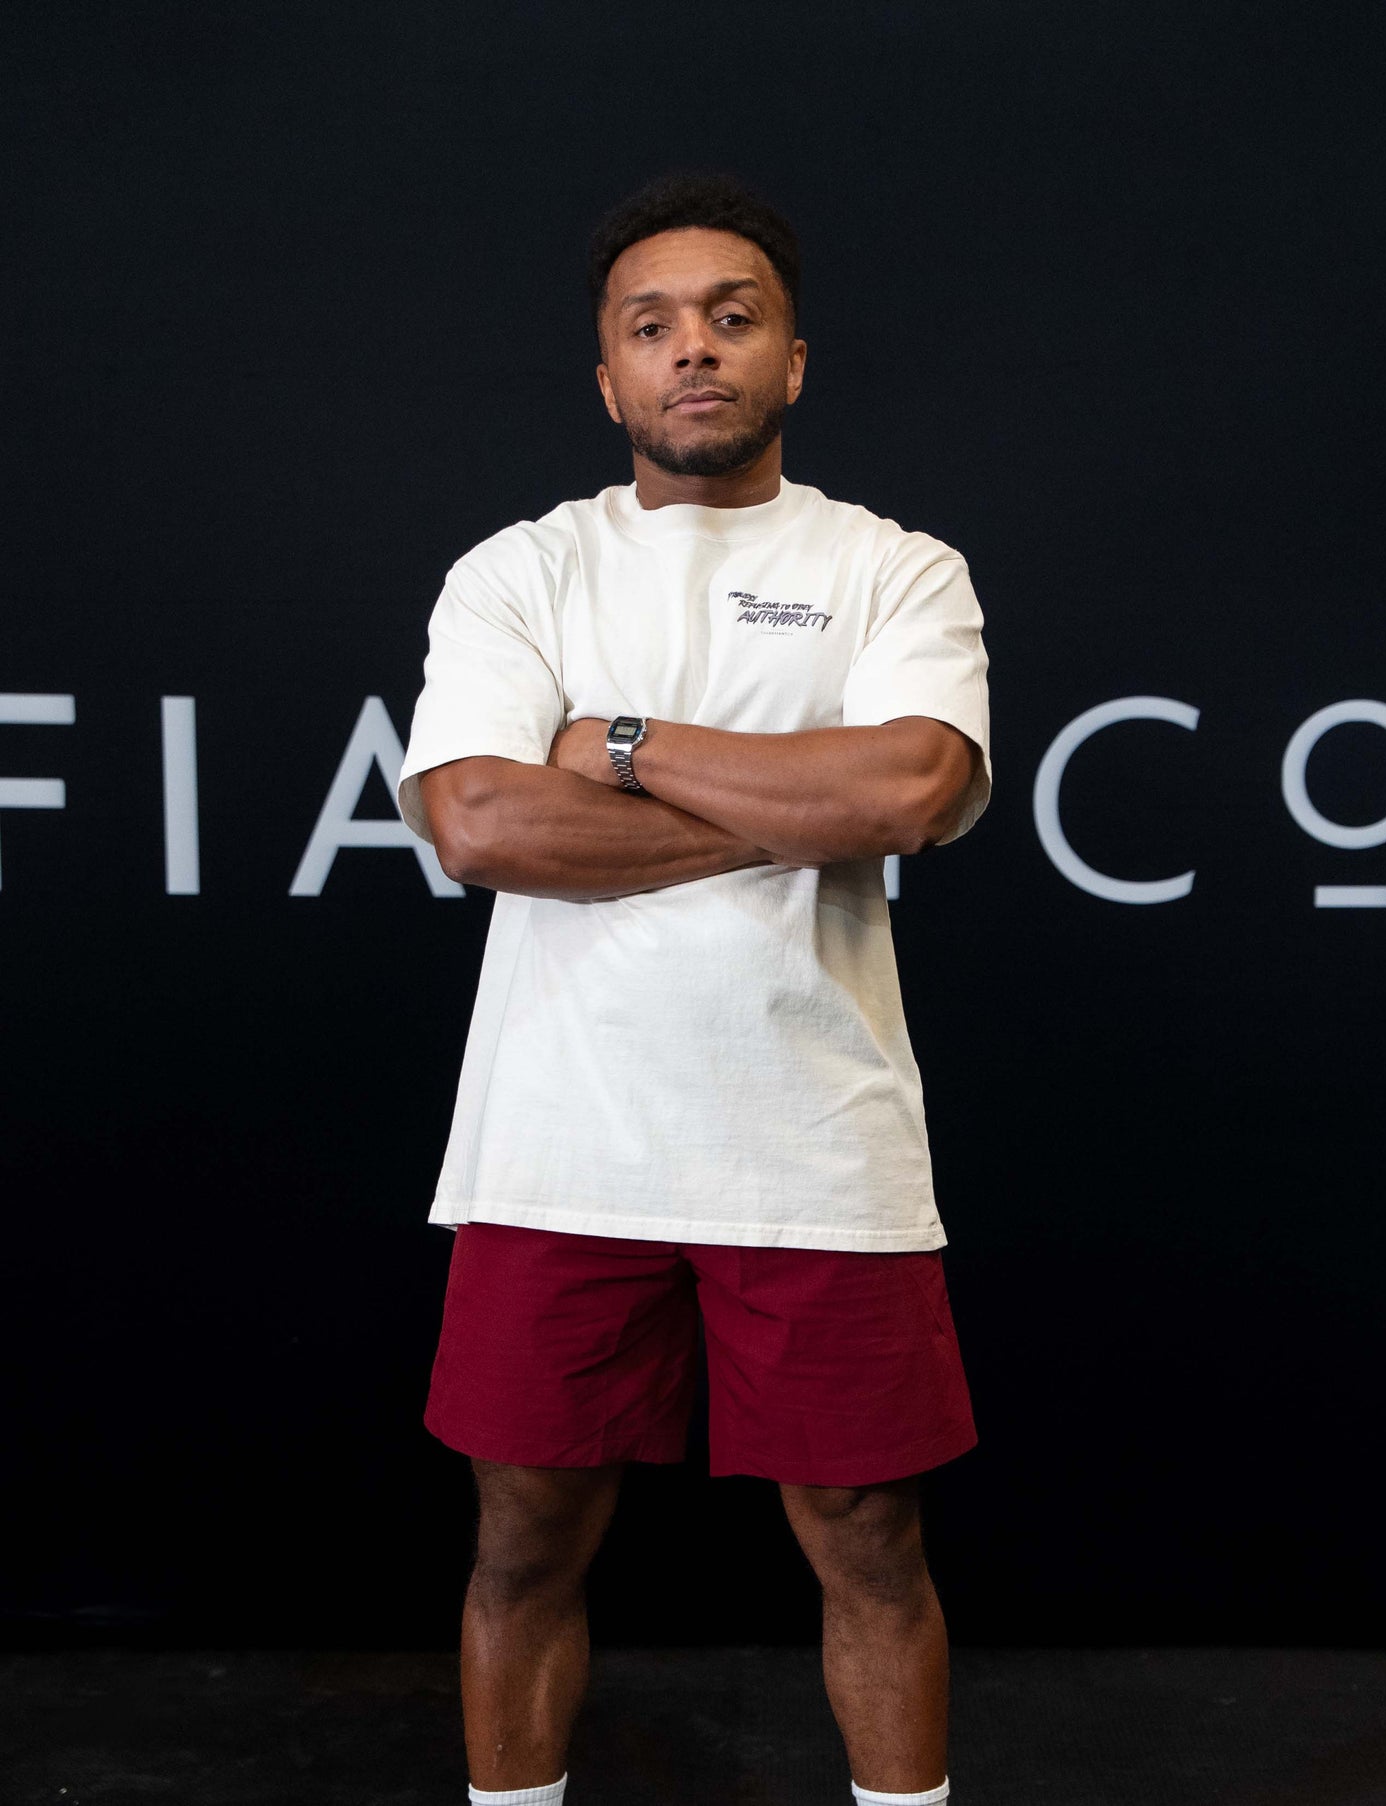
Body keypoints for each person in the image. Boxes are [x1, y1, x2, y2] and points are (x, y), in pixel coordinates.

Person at [395, 171, 993, 1806]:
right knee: (520, 1537)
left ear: (792, 358)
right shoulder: (520, 572)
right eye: (650, 327)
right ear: (608, 380)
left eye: (732, 318)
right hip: (556, 1142)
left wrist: (636, 747)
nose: (694, 351)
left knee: (871, 1537)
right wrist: (784, 808)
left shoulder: (896, 570)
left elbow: (907, 789)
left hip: (818, 1143)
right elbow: (480, 817)